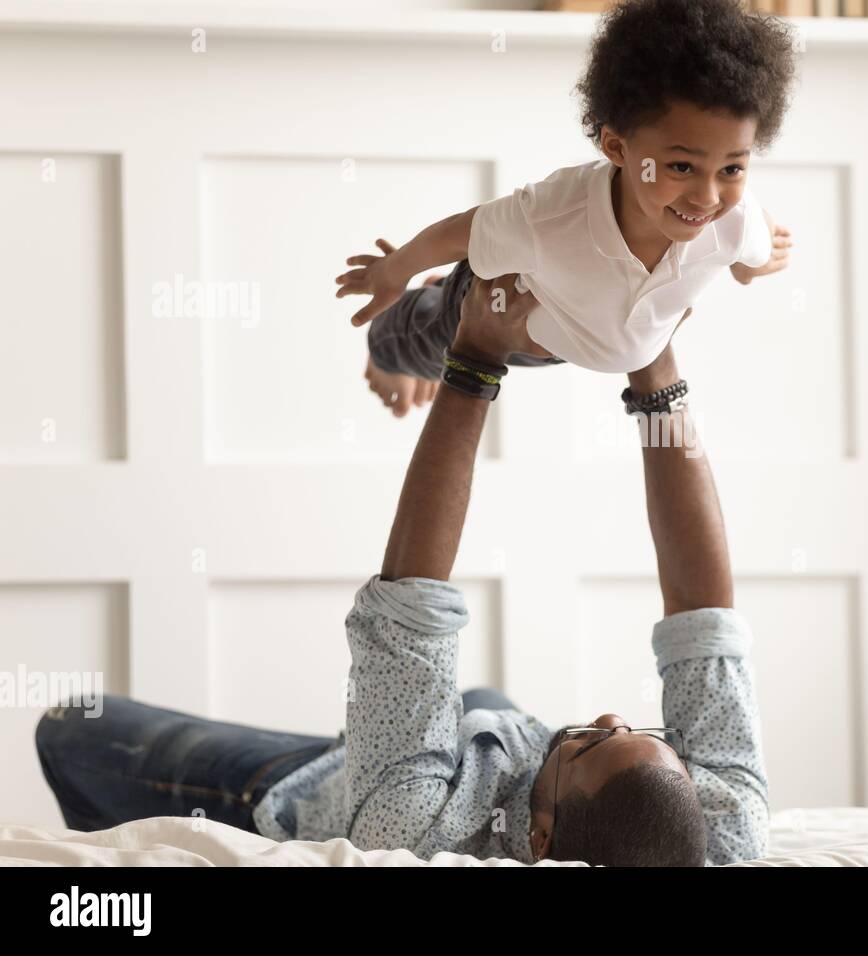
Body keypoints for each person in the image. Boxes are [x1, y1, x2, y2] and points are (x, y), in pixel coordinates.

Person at [36, 269, 769, 867]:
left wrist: (475, 358)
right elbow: (703, 619)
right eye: (637, 729)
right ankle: (391, 730)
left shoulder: (419, 830)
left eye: (595, 743)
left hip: (323, 785)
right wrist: (655, 366)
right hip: (479, 732)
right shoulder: (721, 828)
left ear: (539, 839)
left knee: (70, 727)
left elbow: (410, 613)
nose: (610, 716)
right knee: (442, 711)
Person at [335, 0, 795, 380]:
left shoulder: (736, 221)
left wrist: (750, 268)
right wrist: (394, 270)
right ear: (616, 146)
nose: (708, 197)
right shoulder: (551, 218)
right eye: (681, 166)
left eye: (732, 169)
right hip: (504, 306)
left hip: (563, 340)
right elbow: (459, 231)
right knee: (407, 345)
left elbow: (753, 242)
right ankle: (396, 339)